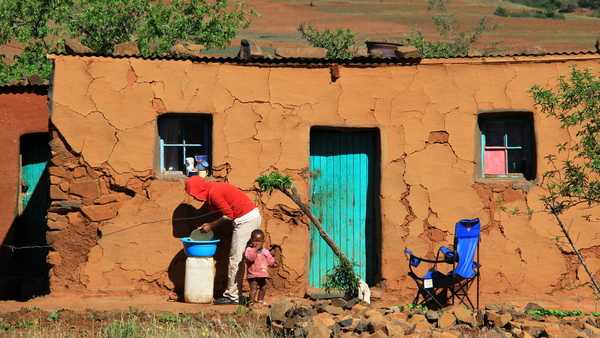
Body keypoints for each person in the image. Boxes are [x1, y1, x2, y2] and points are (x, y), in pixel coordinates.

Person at [185, 175, 261, 305]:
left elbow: (228, 215)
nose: (193, 197)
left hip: (247, 221)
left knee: (236, 259)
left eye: (193, 194)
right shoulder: (212, 189)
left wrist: (211, 226)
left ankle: (233, 297)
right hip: (247, 219)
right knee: (238, 258)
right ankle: (235, 294)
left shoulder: (214, 193)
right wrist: (211, 224)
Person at [244, 229, 279, 308]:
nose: (257, 243)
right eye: (255, 241)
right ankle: (251, 302)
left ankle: (260, 300)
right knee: (253, 288)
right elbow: (249, 258)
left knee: (263, 287)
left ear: (263, 242)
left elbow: (269, 260)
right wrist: (255, 250)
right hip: (253, 274)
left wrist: (273, 263)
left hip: (262, 274)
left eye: (259, 241)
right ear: (251, 240)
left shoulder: (265, 251)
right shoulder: (249, 250)